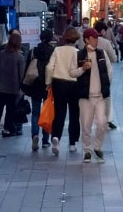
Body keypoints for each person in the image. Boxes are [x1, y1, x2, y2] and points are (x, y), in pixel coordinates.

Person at [77, 27, 112, 161]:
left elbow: (109, 70)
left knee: (102, 123)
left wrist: (106, 85)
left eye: (97, 38)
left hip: (100, 96)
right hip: (85, 96)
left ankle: (98, 146)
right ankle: (87, 149)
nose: (96, 40)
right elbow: (72, 72)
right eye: (94, 38)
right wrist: (82, 69)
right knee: (86, 124)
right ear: (86, 40)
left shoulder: (102, 53)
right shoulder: (79, 55)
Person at [46, 26, 82, 156]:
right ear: (76, 39)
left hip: (58, 83)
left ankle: (56, 136)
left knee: (59, 112)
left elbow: (49, 67)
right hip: (73, 85)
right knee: (74, 113)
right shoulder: (78, 52)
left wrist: (48, 83)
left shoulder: (57, 50)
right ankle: (72, 143)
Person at [0, 29, 25, 138]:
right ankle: (7, 129)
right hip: (13, 87)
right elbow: (21, 74)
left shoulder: (1, 54)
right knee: (10, 109)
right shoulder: (20, 57)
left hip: (2, 85)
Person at [25, 27, 55, 150]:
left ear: (41, 38)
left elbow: (27, 67)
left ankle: (35, 135)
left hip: (36, 84)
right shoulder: (53, 51)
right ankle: (45, 140)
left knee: (35, 113)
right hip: (48, 85)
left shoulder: (33, 51)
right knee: (46, 112)